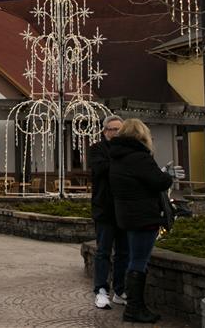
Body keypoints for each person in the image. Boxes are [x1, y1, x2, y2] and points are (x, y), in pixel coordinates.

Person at [109, 118, 180, 324]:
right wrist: (167, 174)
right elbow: (159, 181)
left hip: (126, 215)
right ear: (141, 136)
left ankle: (136, 305)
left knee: (134, 258)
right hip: (143, 216)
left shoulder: (117, 156)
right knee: (139, 261)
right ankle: (134, 308)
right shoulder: (139, 157)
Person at [88, 114, 129, 310]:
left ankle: (119, 290)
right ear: (105, 131)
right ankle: (101, 291)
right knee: (103, 251)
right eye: (113, 129)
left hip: (124, 210)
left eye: (120, 130)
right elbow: (102, 169)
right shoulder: (97, 149)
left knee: (123, 252)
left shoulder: (127, 149)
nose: (116, 133)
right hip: (104, 209)